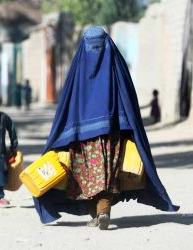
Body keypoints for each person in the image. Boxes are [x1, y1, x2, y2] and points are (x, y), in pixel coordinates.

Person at [33, 26, 179, 229]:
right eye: (92, 46)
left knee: (90, 175)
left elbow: (67, 105)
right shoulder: (115, 64)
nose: (96, 52)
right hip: (112, 132)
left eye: (98, 46)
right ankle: (100, 211)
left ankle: (101, 210)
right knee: (107, 174)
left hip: (84, 136)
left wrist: (64, 134)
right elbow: (128, 99)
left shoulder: (79, 67)